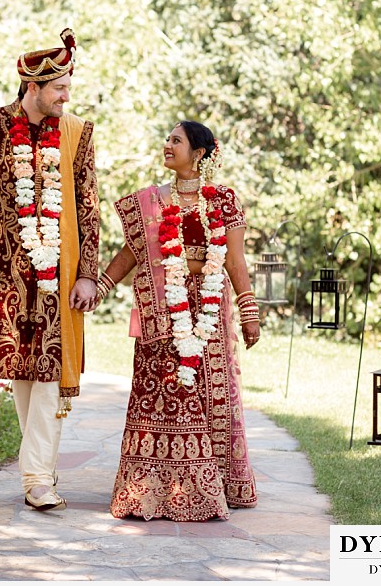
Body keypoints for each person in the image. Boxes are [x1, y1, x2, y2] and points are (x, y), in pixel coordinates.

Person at [0, 28, 99, 512]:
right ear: (32, 86)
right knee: (23, 370)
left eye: (67, 88)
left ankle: (38, 477)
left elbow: (89, 207)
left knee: (50, 371)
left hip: (59, 275)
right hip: (3, 273)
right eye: (59, 88)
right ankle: (38, 468)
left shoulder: (77, 134)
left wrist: (88, 273)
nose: (65, 97)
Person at [93, 120, 259, 521]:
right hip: (161, 309)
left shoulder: (223, 200)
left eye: (176, 141)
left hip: (208, 311)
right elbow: (133, 253)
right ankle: (150, 487)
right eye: (167, 139)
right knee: (161, 394)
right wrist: (100, 285)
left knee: (209, 394)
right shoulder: (151, 202)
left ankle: (215, 482)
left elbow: (234, 260)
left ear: (198, 153)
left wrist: (249, 311)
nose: (167, 145)